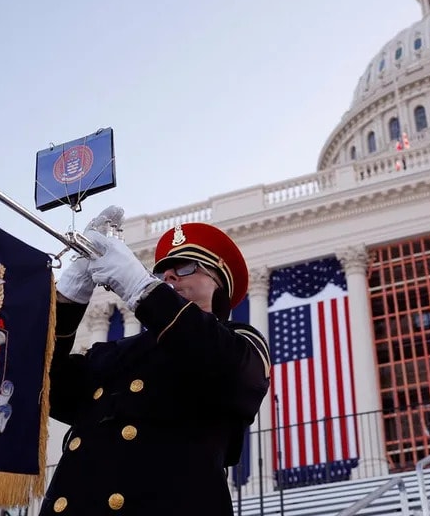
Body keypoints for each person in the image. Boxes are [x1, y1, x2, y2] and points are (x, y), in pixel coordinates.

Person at [42, 219, 271, 515]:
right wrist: (69, 298)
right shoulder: (113, 353)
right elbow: (44, 384)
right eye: (161, 272)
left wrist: (142, 288)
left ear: (219, 282)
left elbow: (225, 366)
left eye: (186, 267)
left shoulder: (239, 342)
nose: (169, 277)